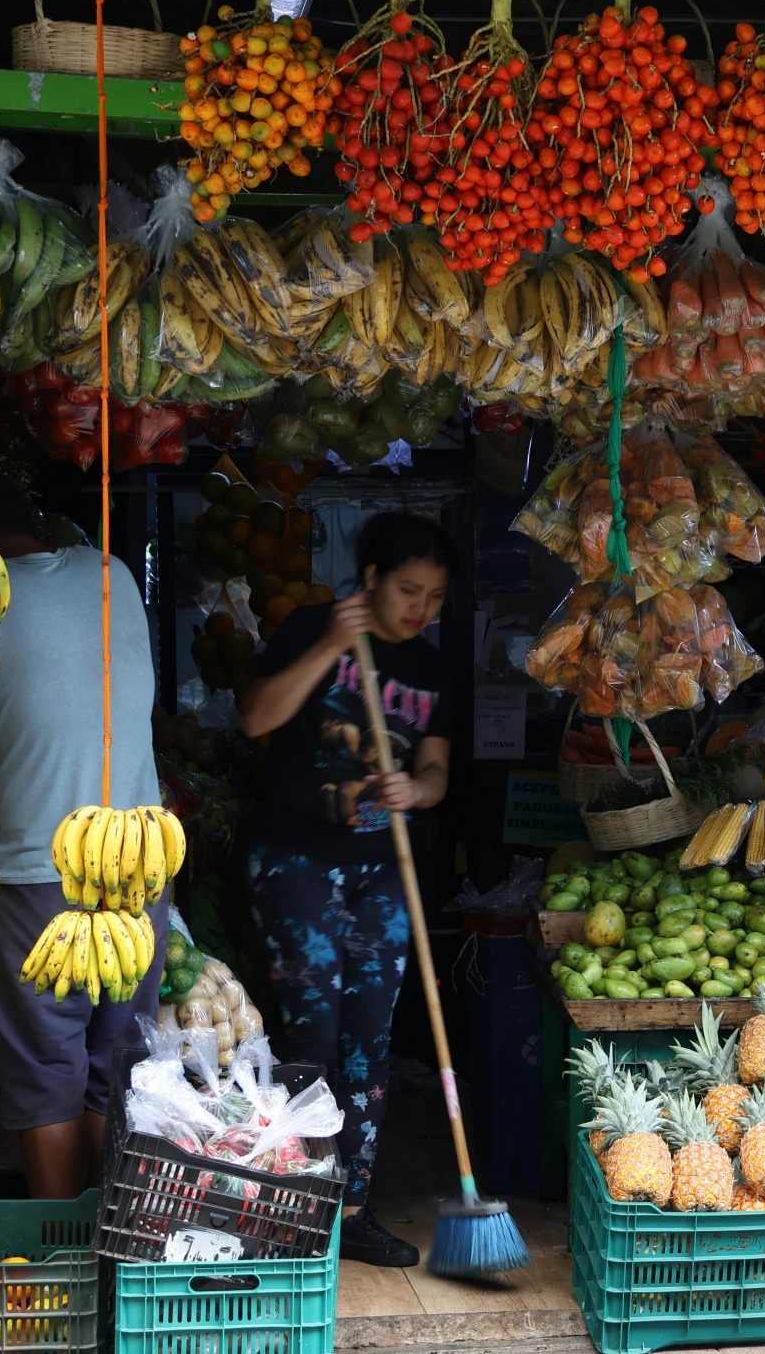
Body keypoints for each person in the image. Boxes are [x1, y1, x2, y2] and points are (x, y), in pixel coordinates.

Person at [239, 511, 454, 1270]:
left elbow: (436, 771)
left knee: (371, 1040)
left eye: (432, 594)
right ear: (369, 578)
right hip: (294, 861)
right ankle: (297, 1205)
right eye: (406, 588)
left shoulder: (430, 666)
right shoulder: (309, 628)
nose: (418, 607)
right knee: (312, 1033)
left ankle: (353, 1210)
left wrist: (417, 792)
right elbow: (254, 716)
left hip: (381, 869)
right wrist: (333, 641)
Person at [0, 476, 163, 1199]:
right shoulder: (114, 573)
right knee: (116, 1066)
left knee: (47, 1073)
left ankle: (63, 1249)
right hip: (140, 864)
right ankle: (115, 1244)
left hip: (39, 872)